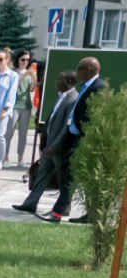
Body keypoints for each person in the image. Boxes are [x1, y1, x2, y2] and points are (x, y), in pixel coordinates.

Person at [40, 57, 108, 224]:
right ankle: (90, 214)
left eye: (80, 69)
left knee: (73, 177)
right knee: (74, 176)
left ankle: (58, 213)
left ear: (90, 70)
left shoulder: (99, 87)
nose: (77, 73)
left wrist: (86, 136)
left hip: (86, 140)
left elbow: (97, 116)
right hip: (76, 138)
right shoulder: (86, 86)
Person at [12, 71, 78, 219]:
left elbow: (66, 127)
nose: (56, 82)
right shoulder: (61, 97)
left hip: (59, 148)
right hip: (49, 146)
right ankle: (30, 204)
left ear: (69, 82)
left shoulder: (73, 99)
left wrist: (56, 146)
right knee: (42, 175)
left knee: (63, 180)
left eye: (60, 79)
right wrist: (44, 142)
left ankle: (64, 209)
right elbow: (51, 120)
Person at [5, 51, 36, 166]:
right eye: (23, 59)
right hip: (14, 106)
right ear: (18, 60)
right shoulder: (13, 72)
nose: (25, 62)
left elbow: (31, 89)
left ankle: (20, 159)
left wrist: (34, 78)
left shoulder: (29, 73)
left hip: (26, 106)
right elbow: (16, 85)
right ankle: (5, 158)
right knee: (9, 132)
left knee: (23, 134)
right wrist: (26, 73)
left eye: (27, 60)